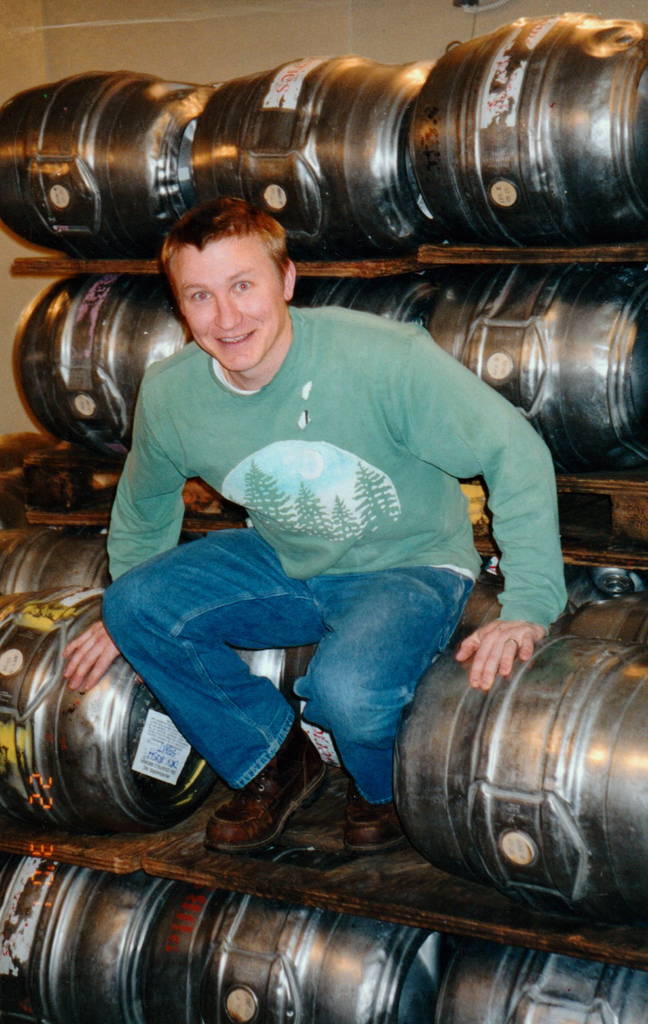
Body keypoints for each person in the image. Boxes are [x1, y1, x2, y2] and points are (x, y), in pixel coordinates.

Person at [63, 197, 566, 854]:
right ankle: (274, 760)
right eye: (201, 296)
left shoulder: (382, 359)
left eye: (244, 285)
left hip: (406, 562)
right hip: (285, 555)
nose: (227, 316)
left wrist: (528, 602)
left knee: (347, 694)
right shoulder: (172, 393)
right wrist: (125, 617)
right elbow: (145, 509)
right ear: (180, 307)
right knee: (134, 604)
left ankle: (380, 791)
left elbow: (514, 449)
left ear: (286, 281)